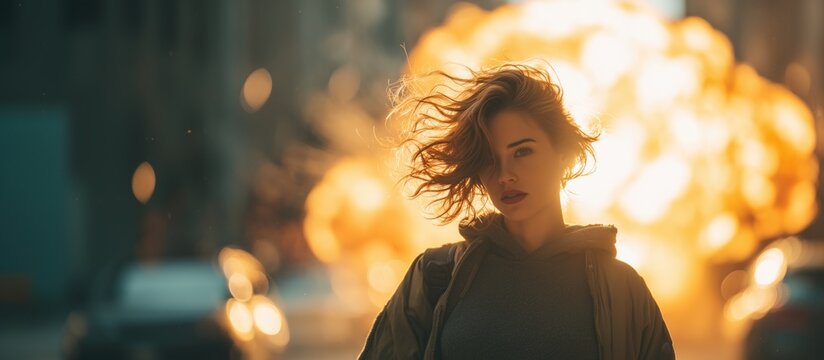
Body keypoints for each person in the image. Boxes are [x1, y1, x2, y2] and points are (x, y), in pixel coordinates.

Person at [359, 63, 674, 359]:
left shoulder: (621, 290)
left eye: (522, 151)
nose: (505, 174)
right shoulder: (435, 278)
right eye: (489, 158)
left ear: (562, 155)